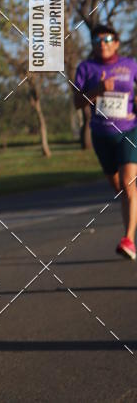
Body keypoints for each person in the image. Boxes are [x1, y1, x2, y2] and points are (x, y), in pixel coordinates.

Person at [74, 23, 137, 259]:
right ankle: (132, 213)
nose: (103, 43)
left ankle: (128, 239)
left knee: (129, 183)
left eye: (108, 38)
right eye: (98, 40)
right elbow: (76, 103)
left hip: (129, 131)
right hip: (101, 135)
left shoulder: (130, 65)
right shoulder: (86, 68)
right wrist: (97, 90)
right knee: (120, 188)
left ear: (117, 43)